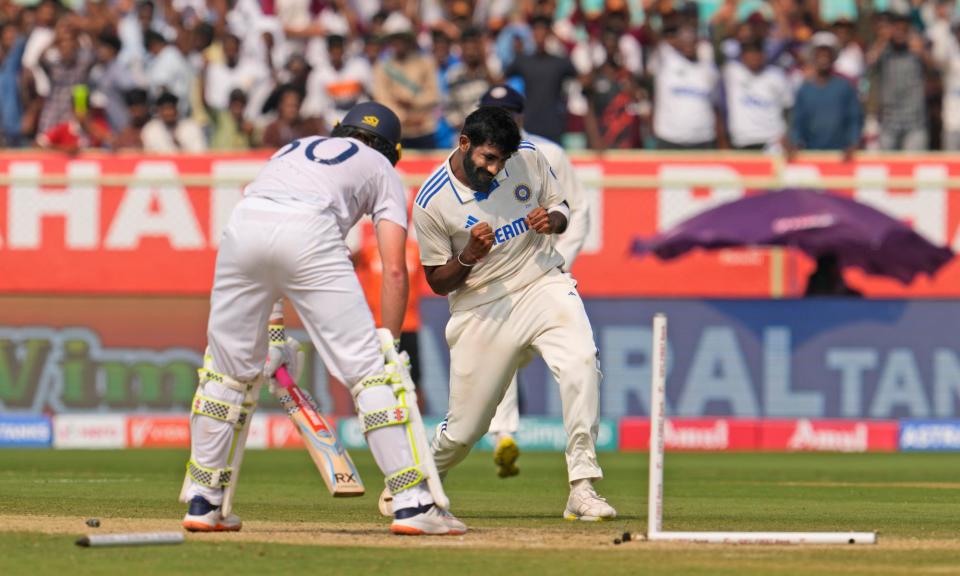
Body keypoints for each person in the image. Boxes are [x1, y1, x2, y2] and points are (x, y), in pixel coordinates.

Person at [178, 101, 466, 537]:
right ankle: (412, 503)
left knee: (226, 375)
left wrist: (272, 332)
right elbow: (393, 269)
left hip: (243, 228)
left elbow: (266, 238)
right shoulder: (382, 168)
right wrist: (388, 344)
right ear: (393, 150)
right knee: (371, 373)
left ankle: (205, 502)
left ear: (338, 130)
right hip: (310, 231)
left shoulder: (293, 148)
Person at [411, 106, 615, 521]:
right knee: (467, 430)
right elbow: (437, 281)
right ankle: (420, 480)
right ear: (464, 143)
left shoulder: (527, 156)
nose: (496, 168)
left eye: (502, 160)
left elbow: (561, 208)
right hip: (481, 306)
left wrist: (551, 220)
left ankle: (582, 485)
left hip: (541, 280)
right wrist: (468, 255)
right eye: (488, 158)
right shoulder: (431, 201)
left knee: (580, 361)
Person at [476, 84, 590, 479]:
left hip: (545, 274)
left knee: (574, 358)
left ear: (522, 116)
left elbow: (576, 211)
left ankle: (582, 465)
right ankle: (503, 433)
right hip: (501, 277)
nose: (502, 118)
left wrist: (563, 264)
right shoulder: (476, 156)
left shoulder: (549, 153)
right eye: (494, 111)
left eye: (508, 112)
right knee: (501, 353)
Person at [789, 32, 862, 161]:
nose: (824, 58)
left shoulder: (845, 87)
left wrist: (853, 142)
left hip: (841, 156)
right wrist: (795, 143)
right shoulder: (804, 90)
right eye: (819, 54)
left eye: (827, 54)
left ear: (834, 57)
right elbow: (797, 121)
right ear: (813, 57)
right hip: (811, 154)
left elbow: (854, 118)